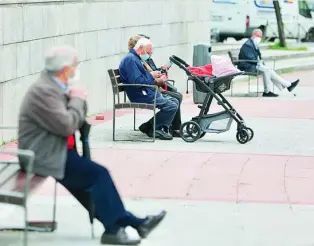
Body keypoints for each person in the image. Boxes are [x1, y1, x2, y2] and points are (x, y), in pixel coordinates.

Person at [18, 45, 166, 245]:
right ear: (64, 68)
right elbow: (67, 124)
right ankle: (127, 226)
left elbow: (77, 118)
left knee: (91, 188)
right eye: (74, 65)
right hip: (43, 155)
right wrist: (77, 98)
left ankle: (125, 226)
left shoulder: (54, 87)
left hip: (57, 152)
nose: (76, 68)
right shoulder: (44, 91)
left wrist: (76, 98)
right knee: (98, 175)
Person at [119, 37, 179, 140]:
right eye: (148, 52)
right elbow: (137, 82)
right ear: (141, 48)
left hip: (146, 91)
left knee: (174, 100)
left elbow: (141, 79)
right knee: (172, 105)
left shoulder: (135, 58)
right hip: (140, 94)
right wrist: (151, 75)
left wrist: (153, 75)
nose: (149, 55)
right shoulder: (131, 59)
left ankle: (150, 126)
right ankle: (155, 129)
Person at [238, 29, 299, 97]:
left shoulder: (254, 44)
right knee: (267, 70)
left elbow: (258, 56)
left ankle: (287, 86)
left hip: (253, 64)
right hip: (247, 66)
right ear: (253, 35)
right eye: (258, 36)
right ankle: (269, 91)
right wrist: (260, 63)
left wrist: (261, 63)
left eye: (260, 36)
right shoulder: (248, 45)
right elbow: (250, 58)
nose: (259, 38)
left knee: (269, 70)